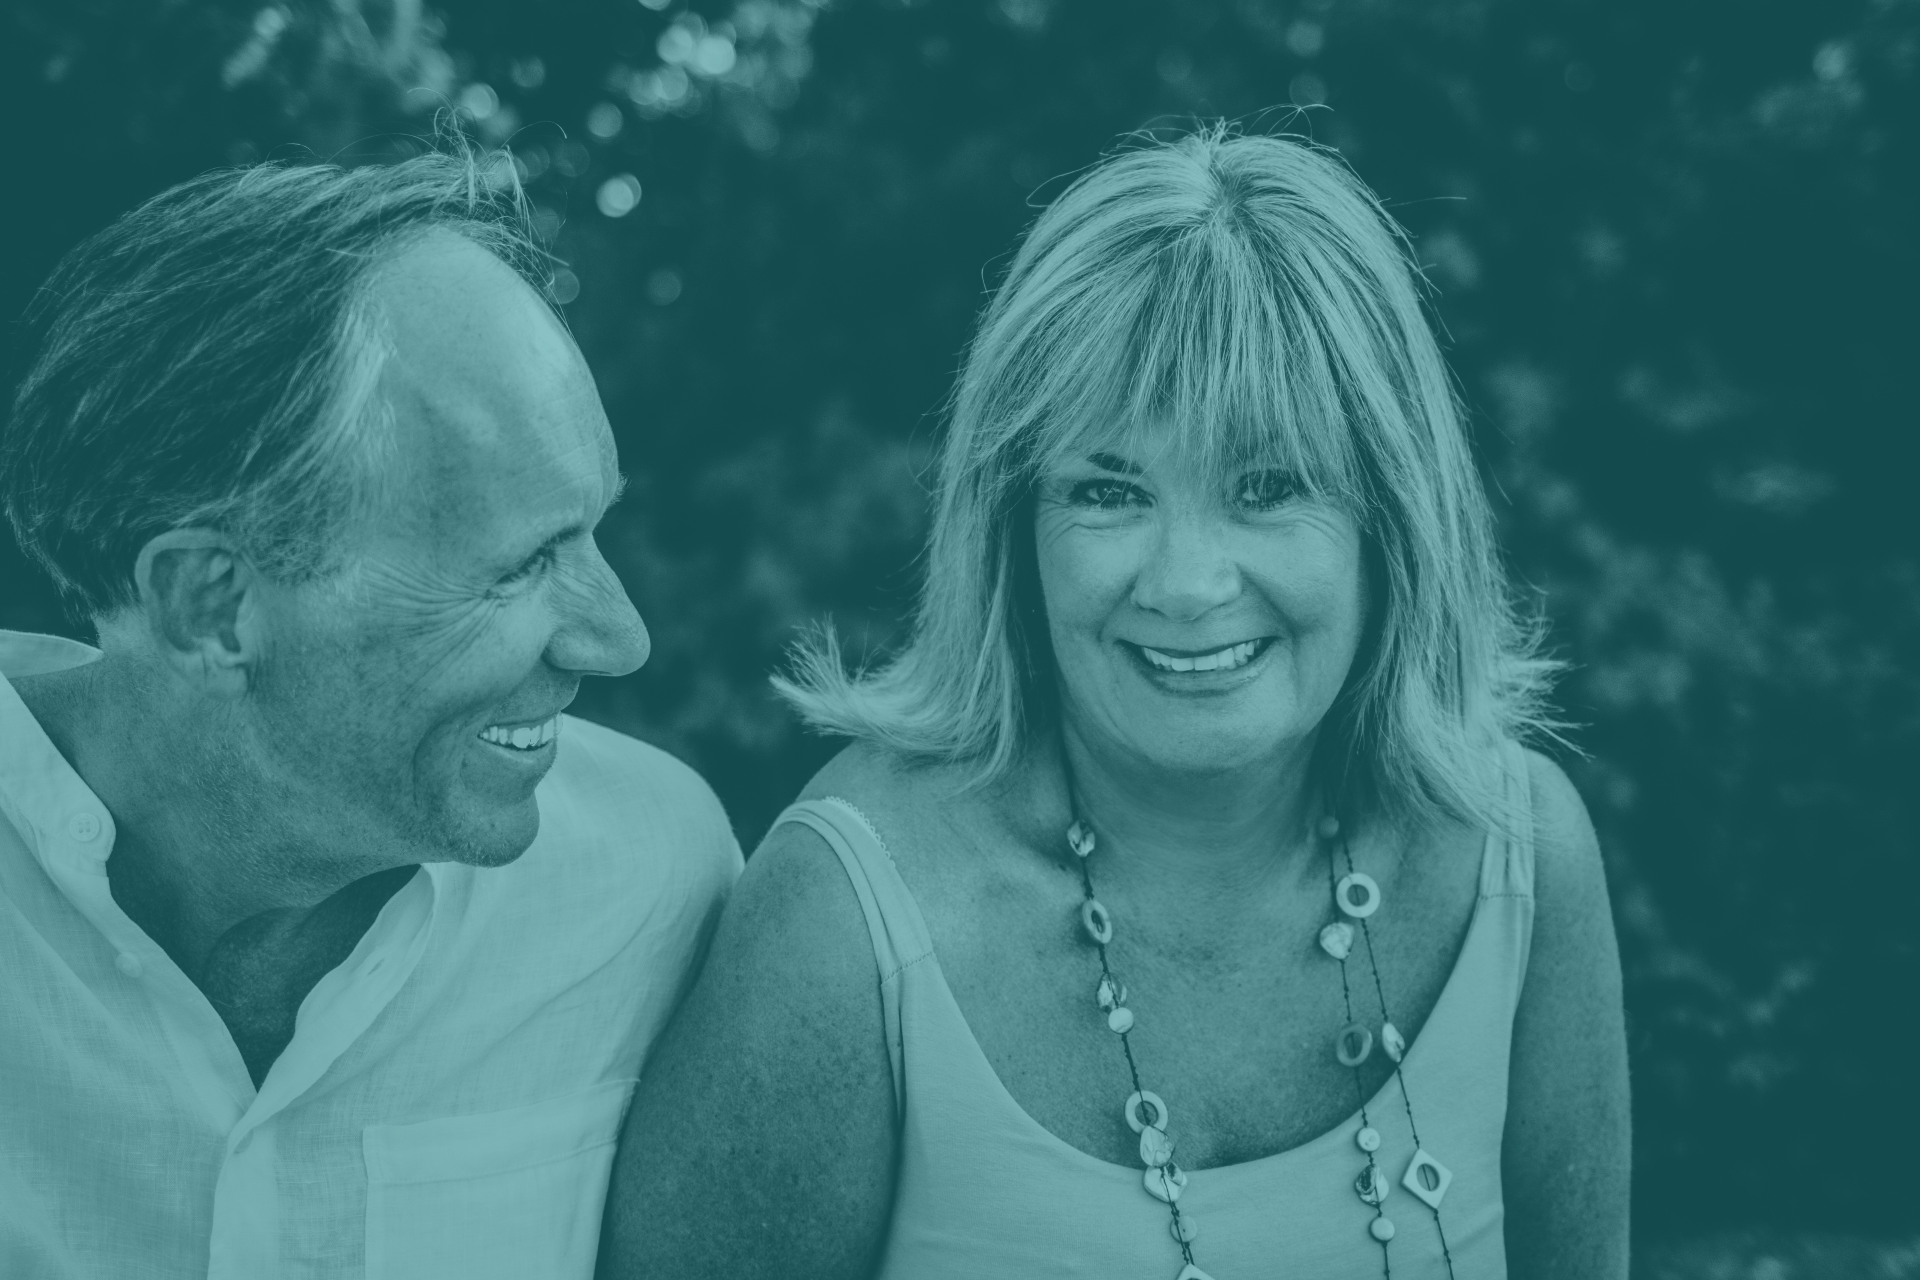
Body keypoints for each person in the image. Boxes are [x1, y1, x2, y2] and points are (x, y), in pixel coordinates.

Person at [599, 127, 1629, 1280]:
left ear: (1389, 518)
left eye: (1267, 485)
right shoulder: (845, 923)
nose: (1187, 584)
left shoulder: (1518, 854)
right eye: (1107, 489)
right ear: (1015, 531)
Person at [0, 152, 740, 1279]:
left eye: (591, 531)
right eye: (521, 565)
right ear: (210, 605)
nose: (619, 638)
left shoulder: (658, 878)